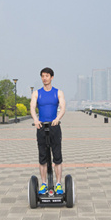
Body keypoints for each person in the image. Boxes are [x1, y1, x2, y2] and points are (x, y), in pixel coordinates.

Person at [30, 67, 66, 195]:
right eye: (42, 76)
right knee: (43, 157)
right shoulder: (36, 93)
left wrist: (57, 118)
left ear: (52, 77)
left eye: (47, 76)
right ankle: (44, 184)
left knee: (57, 156)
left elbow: (62, 107)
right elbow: (32, 107)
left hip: (54, 127)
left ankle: (58, 184)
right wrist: (35, 119)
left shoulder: (58, 92)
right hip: (41, 126)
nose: (44, 78)